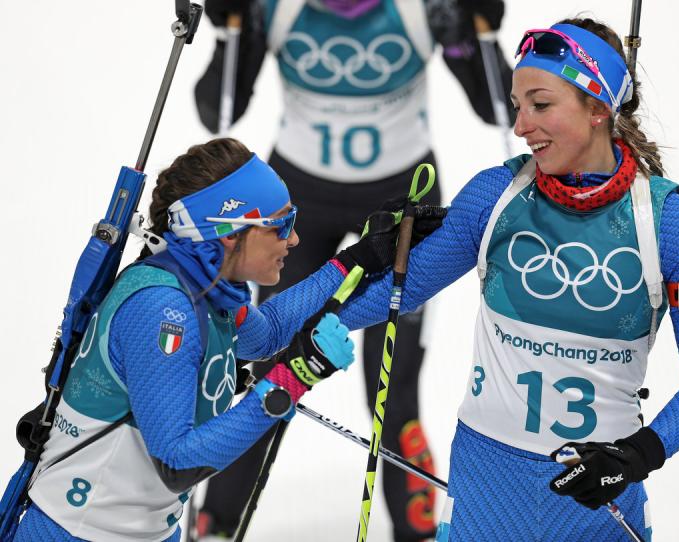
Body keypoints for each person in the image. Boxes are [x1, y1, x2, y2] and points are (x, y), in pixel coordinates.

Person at [325, 17, 679, 541]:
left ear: (597, 107)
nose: (521, 126)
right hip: (485, 491)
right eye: (518, 107)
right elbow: (381, 299)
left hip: (594, 501)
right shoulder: (495, 196)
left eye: (540, 105)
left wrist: (634, 456)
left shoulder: (671, 225)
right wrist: (271, 325)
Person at [12, 138, 442, 542]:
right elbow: (177, 462)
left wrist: (361, 258)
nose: (294, 239)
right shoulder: (165, 310)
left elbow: (269, 333)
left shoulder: (199, 283)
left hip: (139, 530)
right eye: (281, 225)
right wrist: (296, 375)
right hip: (79, 532)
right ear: (228, 232)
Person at [193, 1, 514, 540]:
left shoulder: (423, 6)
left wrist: (474, 25)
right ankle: (217, 525)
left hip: (401, 197)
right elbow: (216, 112)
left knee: (394, 384)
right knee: (266, 364)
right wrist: (228, 31)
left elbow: (500, 107)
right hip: (298, 202)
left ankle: (416, 532)